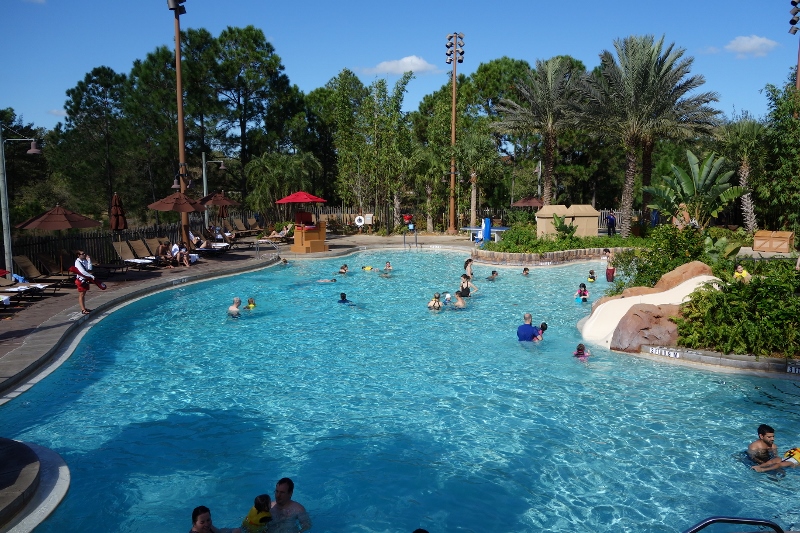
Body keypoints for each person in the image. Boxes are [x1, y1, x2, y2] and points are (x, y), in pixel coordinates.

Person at [74, 250, 105, 315]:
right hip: (80, 280)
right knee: (81, 294)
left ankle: (84, 308)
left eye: (84, 253)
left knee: (83, 294)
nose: (84, 255)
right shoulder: (77, 262)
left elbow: (89, 269)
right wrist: (91, 276)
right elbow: (82, 272)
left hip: (85, 279)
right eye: (82, 254)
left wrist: (89, 260)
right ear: (78, 255)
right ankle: (83, 310)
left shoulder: (84, 260)